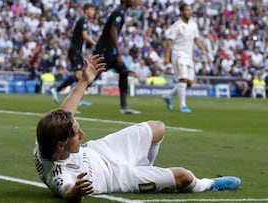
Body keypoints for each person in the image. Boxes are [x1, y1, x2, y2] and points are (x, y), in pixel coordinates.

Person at [33, 54, 241, 203]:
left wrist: (85, 80)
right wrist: (78, 191)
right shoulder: (58, 174)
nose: (82, 134)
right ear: (61, 144)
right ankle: (209, 183)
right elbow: (68, 193)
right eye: (76, 135)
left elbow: (65, 110)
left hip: (101, 150)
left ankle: (146, 168)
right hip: (116, 177)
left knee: (158, 128)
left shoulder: (47, 136)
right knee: (184, 177)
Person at [94, 0, 140, 114]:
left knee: (123, 71)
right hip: (106, 50)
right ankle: (73, 97)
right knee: (92, 76)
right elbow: (113, 32)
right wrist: (119, 53)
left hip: (109, 50)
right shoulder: (119, 12)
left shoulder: (121, 12)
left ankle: (124, 106)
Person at [162, 2, 210, 113]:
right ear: (182, 12)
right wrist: (166, 56)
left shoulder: (193, 25)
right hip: (178, 54)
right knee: (182, 79)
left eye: (190, 10)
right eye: (187, 10)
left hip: (189, 56)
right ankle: (182, 105)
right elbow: (169, 41)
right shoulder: (177, 26)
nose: (189, 12)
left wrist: (203, 50)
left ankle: (168, 95)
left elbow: (196, 39)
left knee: (188, 83)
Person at [50, 3, 97, 106]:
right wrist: (95, 43)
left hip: (76, 51)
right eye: (92, 10)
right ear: (86, 10)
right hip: (75, 51)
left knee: (79, 77)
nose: (93, 12)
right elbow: (85, 36)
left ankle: (60, 91)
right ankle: (59, 90)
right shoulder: (83, 20)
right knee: (80, 77)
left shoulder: (82, 20)